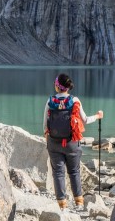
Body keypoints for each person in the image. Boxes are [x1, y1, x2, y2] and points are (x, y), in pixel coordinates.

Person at [43, 73, 104, 211]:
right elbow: (85, 120)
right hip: (72, 142)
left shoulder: (50, 101)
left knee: (58, 173)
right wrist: (98, 116)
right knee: (74, 171)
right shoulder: (74, 100)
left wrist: (49, 139)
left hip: (54, 142)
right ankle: (79, 203)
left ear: (57, 86)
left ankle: (62, 206)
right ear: (67, 88)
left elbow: (45, 126)